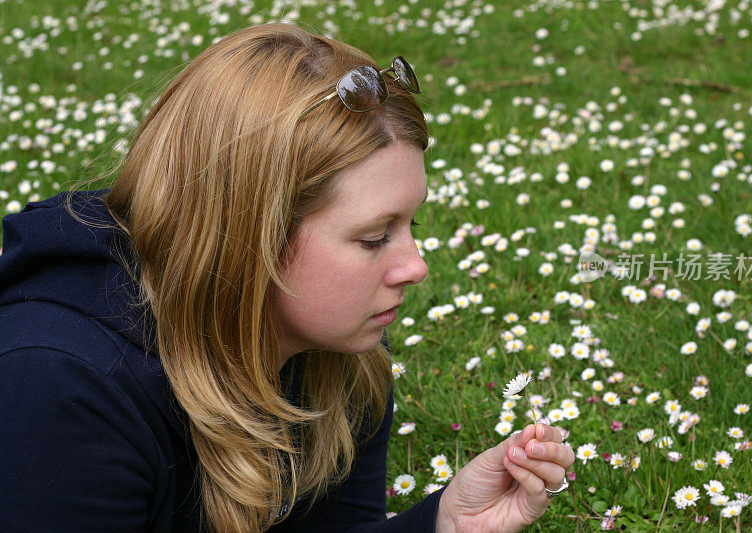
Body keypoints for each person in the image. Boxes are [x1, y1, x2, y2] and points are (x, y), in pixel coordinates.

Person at [0, 23, 574, 532]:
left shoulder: (341, 359)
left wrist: (441, 523)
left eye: (412, 223)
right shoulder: (61, 391)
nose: (416, 266)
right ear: (247, 238)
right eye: (373, 238)